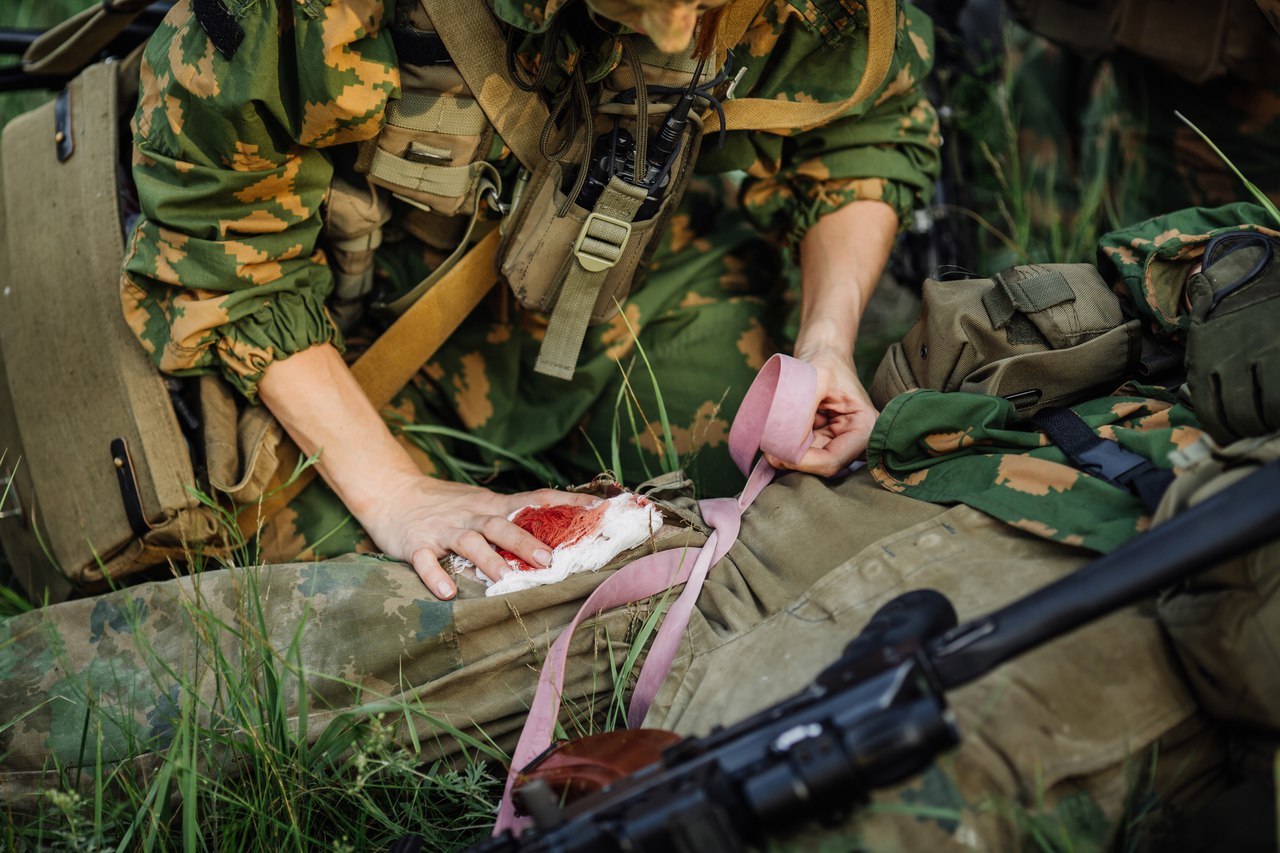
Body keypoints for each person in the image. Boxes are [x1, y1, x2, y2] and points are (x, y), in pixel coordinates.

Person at [119, 0, 940, 599]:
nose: (674, 33)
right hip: (358, 343)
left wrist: (827, 340)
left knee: (782, 508)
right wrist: (397, 493)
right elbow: (216, 227)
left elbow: (864, 125)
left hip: (630, 295)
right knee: (339, 612)